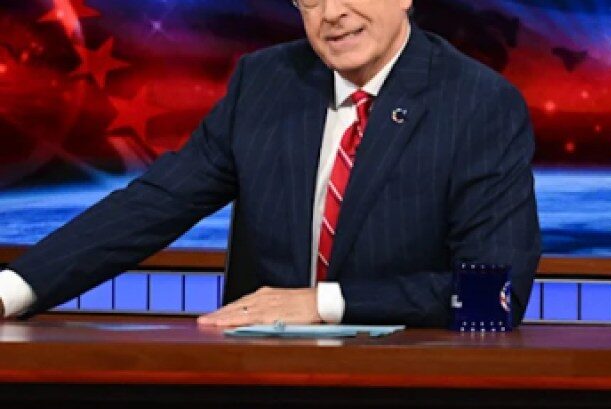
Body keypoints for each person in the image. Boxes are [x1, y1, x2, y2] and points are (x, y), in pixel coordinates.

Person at [0, 0, 541, 328]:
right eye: (311, 0)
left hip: (410, 393)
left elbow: (492, 296)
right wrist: (12, 291)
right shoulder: (265, 83)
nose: (333, 14)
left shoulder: (478, 104)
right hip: (259, 387)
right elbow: (155, 204)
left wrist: (325, 304)